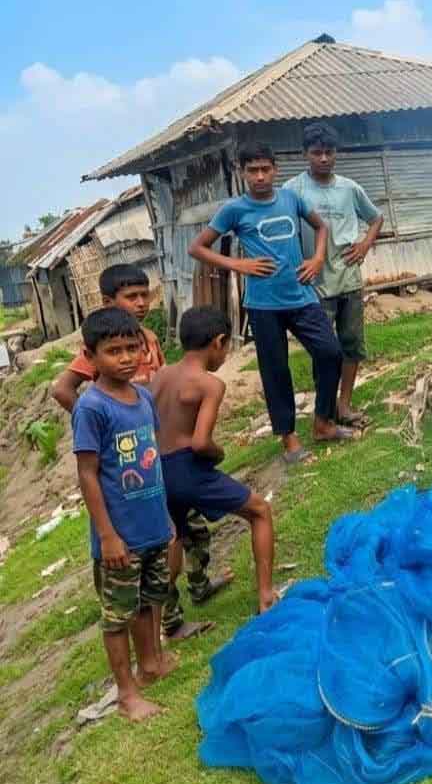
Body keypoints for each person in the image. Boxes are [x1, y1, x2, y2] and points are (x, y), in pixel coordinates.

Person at [50, 263, 225, 641]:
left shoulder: (148, 339)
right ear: (108, 301)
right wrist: (106, 429)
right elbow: (62, 389)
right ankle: (170, 621)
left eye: (146, 294)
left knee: (189, 529)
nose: (142, 302)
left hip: (156, 455)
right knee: (166, 541)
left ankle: (198, 585)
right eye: (132, 297)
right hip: (128, 464)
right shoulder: (104, 347)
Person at [189, 143, 351, 465]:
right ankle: (289, 438)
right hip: (263, 304)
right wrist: (238, 264)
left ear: (275, 169)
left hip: (301, 296)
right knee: (275, 370)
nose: (260, 176)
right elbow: (198, 247)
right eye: (253, 170)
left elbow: (321, 226)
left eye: (265, 169)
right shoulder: (234, 209)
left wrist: (317, 258)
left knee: (330, 352)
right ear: (242, 172)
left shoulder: (290, 199)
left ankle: (323, 422)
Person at [72, 307, 175, 721]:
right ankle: (127, 694)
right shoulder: (92, 407)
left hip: (153, 525)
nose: (127, 358)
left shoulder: (144, 397)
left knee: (150, 599)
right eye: (114, 351)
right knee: (118, 616)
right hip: (120, 537)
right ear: (90, 356)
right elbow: (88, 474)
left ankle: (151, 664)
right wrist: (108, 535)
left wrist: (166, 517)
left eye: (133, 348)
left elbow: (153, 461)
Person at [150, 306, 277, 615]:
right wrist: (218, 454)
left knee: (174, 537)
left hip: (157, 470)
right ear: (218, 342)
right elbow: (200, 442)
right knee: (259, 511)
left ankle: (164, 620)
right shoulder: (209, 384)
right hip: (187, 468)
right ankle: (266, 596)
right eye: (226, 346)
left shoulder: (161, 376)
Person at [284, 122, 384, 427]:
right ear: (305, 154)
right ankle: (324, 412)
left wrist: (364, 245)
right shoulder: (293, 190)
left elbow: (376, 218)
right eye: (317, 153)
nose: (324, 158)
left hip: (349, 280)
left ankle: (344, 406)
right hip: (314, 286)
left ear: (336, 153)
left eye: (329, 152)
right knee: (324, 352)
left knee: (351, 345)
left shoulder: (349, 188)